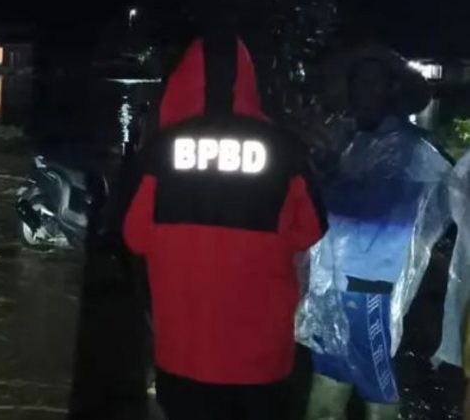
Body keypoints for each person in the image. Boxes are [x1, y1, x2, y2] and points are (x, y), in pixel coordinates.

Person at [120, 34, 325, 420]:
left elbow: (135, 236)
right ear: (248, 80)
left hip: (184, 353)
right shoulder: (284, 150)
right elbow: (310, 231)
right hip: (261, 359)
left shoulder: (160, 152)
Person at [297, 46, 449, 420]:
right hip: (330, 285)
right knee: (328, 379)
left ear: (392, 91)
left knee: (376, 387)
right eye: (358, 83)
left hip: (368, 291)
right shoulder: (355, 141)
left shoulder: (406, 147)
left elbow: (374, 208)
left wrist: (324, 180)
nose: (363, 92)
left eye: (374, 83)